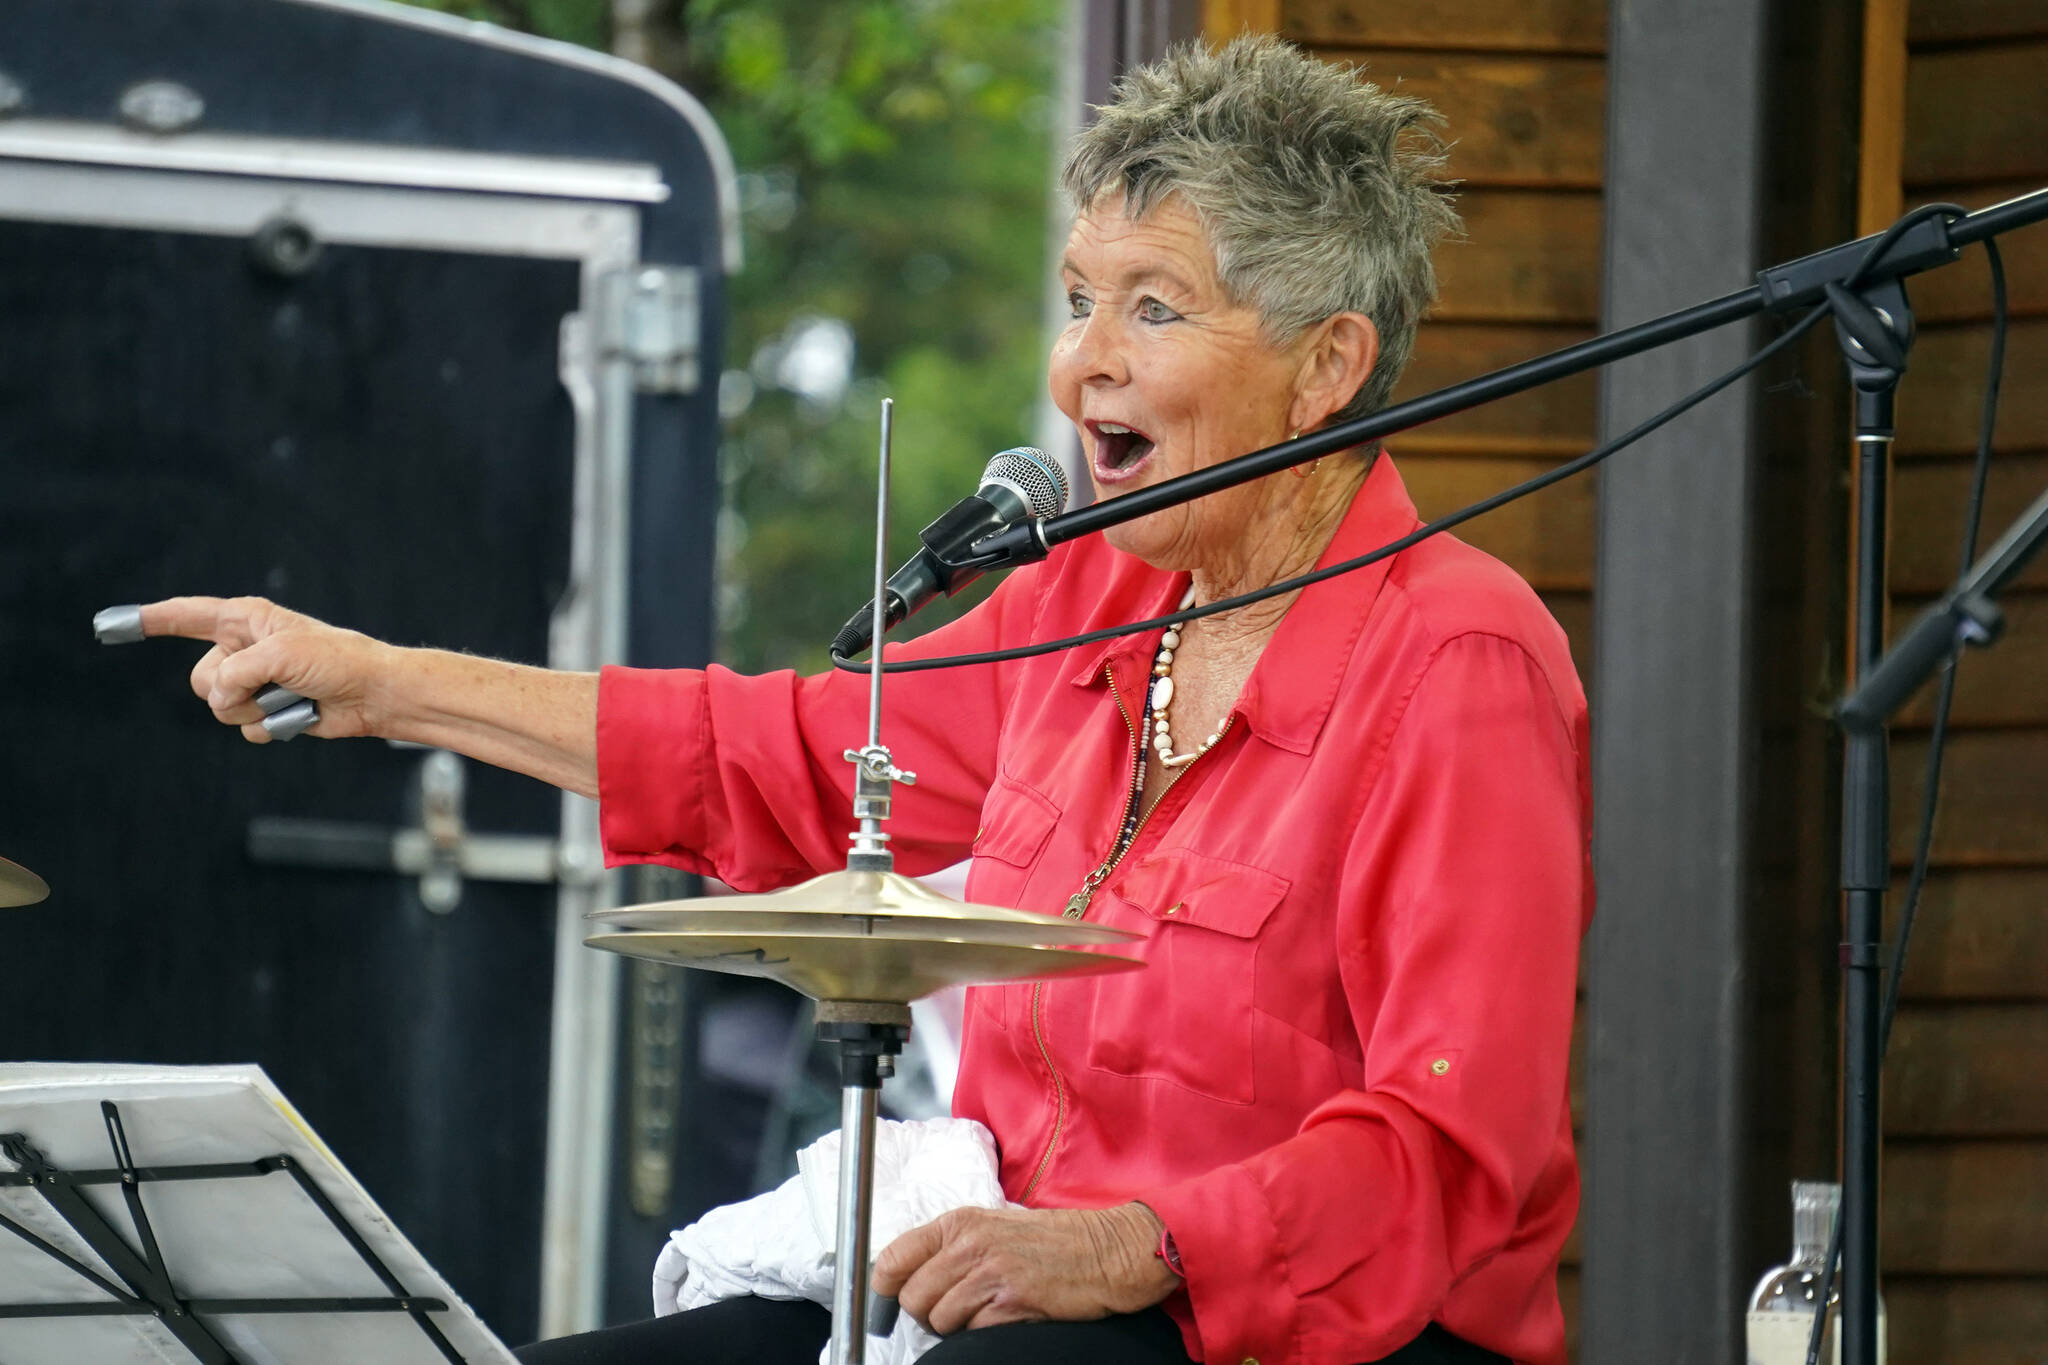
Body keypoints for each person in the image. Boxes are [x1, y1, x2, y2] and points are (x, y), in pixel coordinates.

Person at [138, 36, 1588, 1365]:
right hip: (1011, 1281)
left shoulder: (1461, 661)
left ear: (1326, 365)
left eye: (1156, 307)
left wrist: (1138, 1241)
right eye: (1080, 299)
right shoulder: (1091, 598)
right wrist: (383, 685)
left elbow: (1453, 1146)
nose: (1085, 360)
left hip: (1301, 1330)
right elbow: (770, 754)